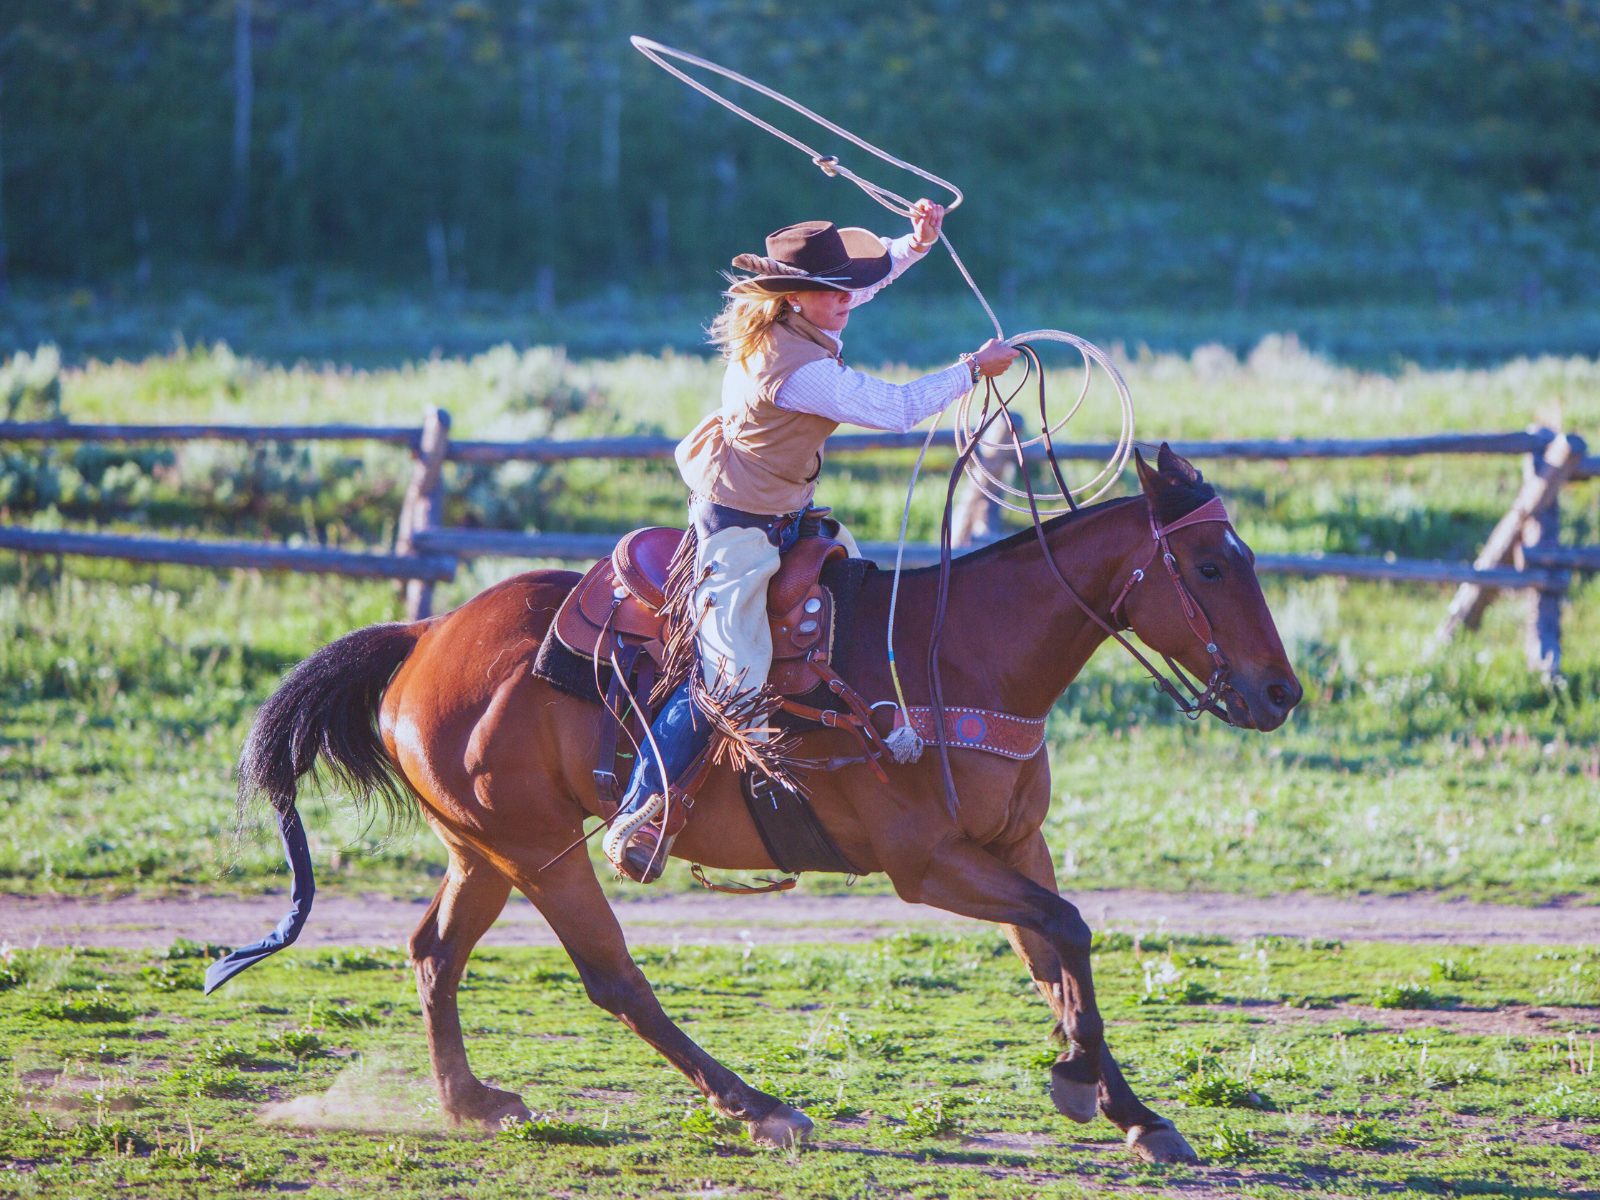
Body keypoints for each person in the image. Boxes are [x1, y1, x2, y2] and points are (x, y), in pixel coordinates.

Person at [603, 201, 1020, 882]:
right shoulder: (793, 366)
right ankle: (641, 809)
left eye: (842, 288)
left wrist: (914, 244)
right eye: (830, 292)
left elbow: (863, 281)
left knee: (858, 607)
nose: (846, 301)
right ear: (793, 297)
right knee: (727, 675)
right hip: (736, 527)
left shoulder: (804, 315)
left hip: (786, 516)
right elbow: (895, 410)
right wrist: (972, 368)